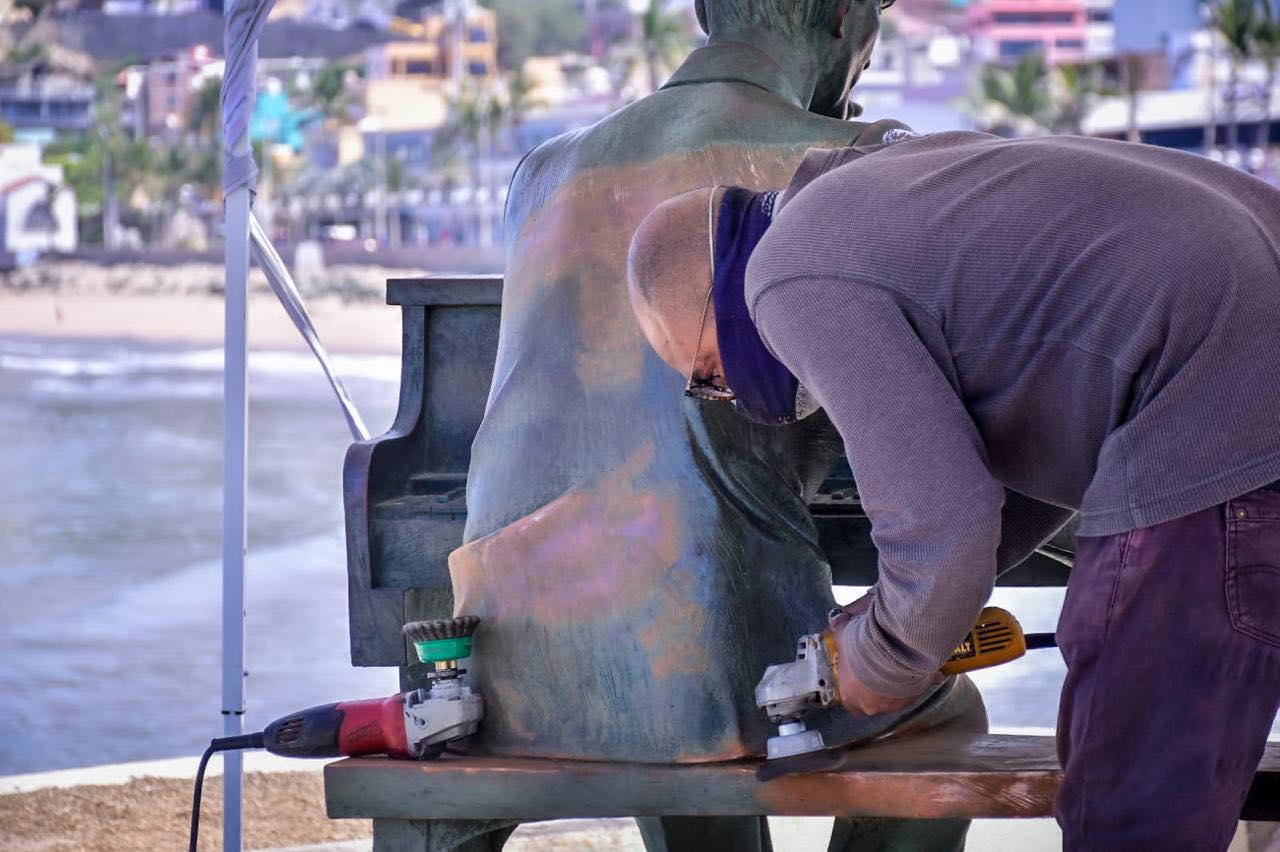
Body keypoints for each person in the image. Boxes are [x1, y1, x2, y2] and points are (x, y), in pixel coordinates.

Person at [626, 129, 1280, 849]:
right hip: (1238, 347)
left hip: (1219, 391)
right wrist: (901, 610)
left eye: (705, 377)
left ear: (712, 294)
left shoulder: (784, 274)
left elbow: (948, 529)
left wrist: (884, 660)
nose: (725, 394)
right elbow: (1004, 483)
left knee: (1128, 811)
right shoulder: (884, 192)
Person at [447, 2, 991, 851]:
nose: (871, 59)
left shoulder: (542, 172)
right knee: (941, 707)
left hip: (510, 649)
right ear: (844, 16)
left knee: (691, 646)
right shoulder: (852, 158)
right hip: (703, 659)